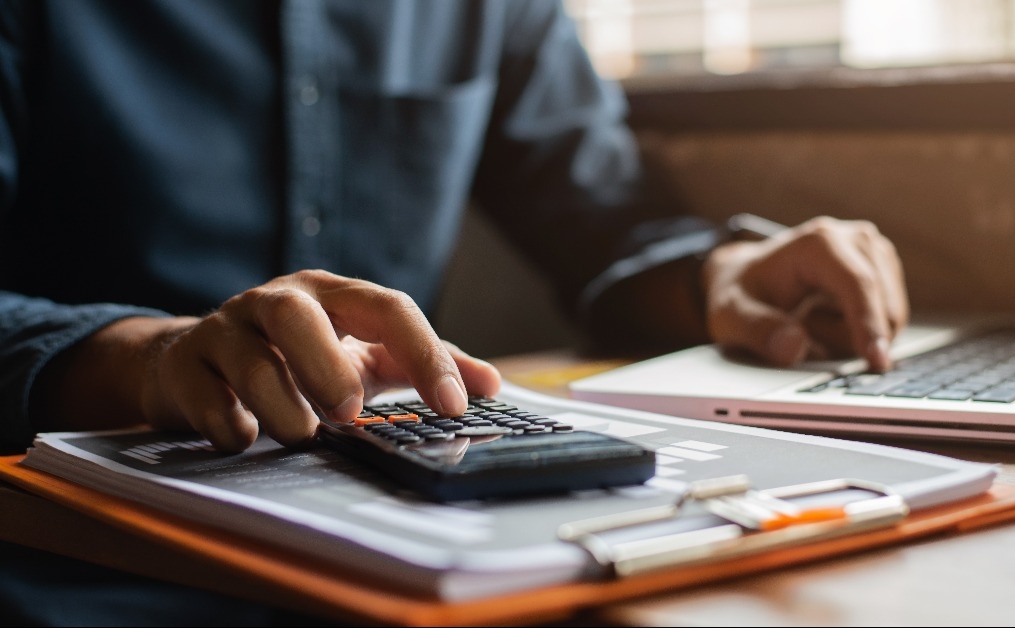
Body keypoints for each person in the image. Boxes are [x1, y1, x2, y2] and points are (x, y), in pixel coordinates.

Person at [0, 1, 907, 625]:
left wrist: (723, 272)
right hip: (81, 553)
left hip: (416, 529)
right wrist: (149, 356)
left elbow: (602, 218)